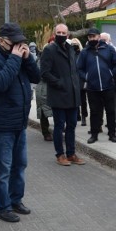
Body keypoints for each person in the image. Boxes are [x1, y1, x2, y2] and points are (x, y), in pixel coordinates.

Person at [0, 22, 41, 223]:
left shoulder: (19, 57)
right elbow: (0, 83)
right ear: (1, 41)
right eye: (13, 43)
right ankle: (3, 207)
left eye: (20, 43)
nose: (18, 46)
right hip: (1, 123)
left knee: (20, 165)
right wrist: (15, 58)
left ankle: (16, 200)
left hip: (19, 121)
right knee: (3, 168)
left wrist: (28, 59)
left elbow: (37, 77)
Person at [41, 23, 85, 166]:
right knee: (59, 126)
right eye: (58, 32)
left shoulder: (71, 49)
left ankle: (71, 153)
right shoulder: (49, 50)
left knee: (72, 125)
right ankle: (60, 154)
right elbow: (45, 73)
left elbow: (74, 69)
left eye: (63, 32)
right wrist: (59, 83)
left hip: (72, 94)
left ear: (67, 34)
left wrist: (77, 83)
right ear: (54, 34)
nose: (61, 34)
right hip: (58, 94)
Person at [77, 28, 116, 144]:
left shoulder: (109, 49)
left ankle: (112, 134)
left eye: (94, 36)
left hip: (108, 86)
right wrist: (86, 77)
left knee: (111, 111)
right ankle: (94, 134)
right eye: (90, 37)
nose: (92, 38)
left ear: (98, 37)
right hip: (92, 87)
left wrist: (111, 74)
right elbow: (79, 68)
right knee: (94, 112)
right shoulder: (85, 52)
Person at [100, 32, 116, 130]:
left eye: (104, 40)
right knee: (105, 103)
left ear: (109, 40)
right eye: (101, 40)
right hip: (103, 82)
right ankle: (109, 121)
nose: (103, 42)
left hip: (114, 80)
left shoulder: (115, 50)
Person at [35, 43, 53, 142]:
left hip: (54, 86)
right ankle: (45, 132)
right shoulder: (39, 60)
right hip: (43, 86)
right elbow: (39, 74)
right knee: (43, 109)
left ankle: (60, 128)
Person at [71, 38, 88, 127]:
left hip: (81, 79)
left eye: (75, 43)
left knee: (83, 99)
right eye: (72, 44)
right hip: (73, 80)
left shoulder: (82, 54)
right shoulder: (70, 54)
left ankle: (84, 116)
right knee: (74, 99)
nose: (74, 45)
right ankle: (77, 115)